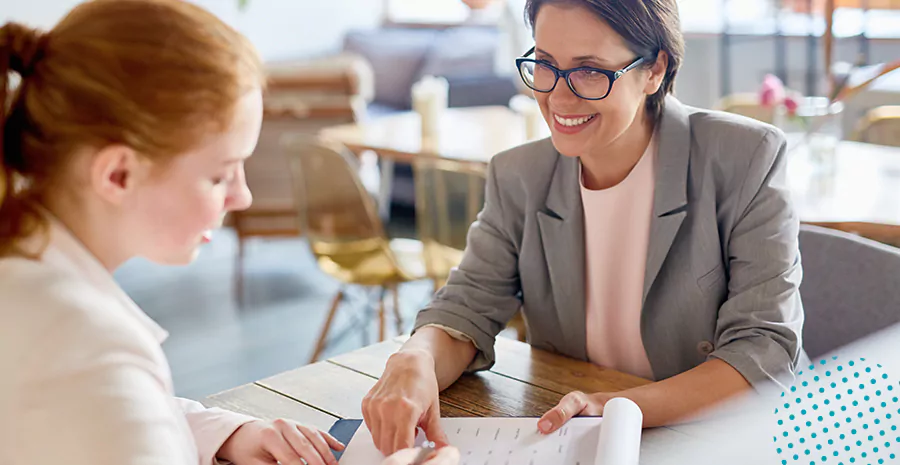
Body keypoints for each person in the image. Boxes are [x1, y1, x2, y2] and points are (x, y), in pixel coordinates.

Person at [0, 1, 457, 464]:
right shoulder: (87, 354)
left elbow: (110, 419)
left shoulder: (28, 278)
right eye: (221, 175)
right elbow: (105, 400)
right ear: (118, 174)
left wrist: (223, 432)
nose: (243, 197)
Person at [362, 0, 806, 455]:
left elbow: (763, 352)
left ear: (655, 70)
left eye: (590, 70)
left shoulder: (744, 157)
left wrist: (618, 407)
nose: (557, 97)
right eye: (545, 64)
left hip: (727, 437)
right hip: (583, 436)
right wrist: (416, 357)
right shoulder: (520, 176)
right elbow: (465, 308)